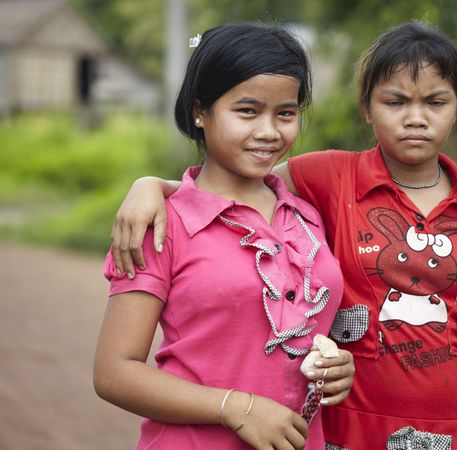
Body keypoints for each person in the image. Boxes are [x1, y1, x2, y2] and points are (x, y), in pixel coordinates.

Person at [109, 21, 457, 449]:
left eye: (286, 113)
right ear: (366, 106)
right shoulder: (325, 178)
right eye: (395, 101)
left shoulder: (308, 216)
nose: (415, 118)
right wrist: (153, 186)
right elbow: (230, 187)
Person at [93, 21, 355, 450]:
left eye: (285, 113)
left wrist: (338, 368)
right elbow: (114, 372)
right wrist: (235, 406)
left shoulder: (307, 215)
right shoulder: (160, 223)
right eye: (247, 111)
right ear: (201, 110)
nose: (270, 132)